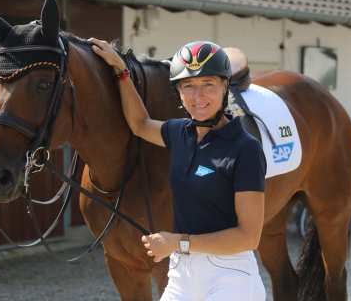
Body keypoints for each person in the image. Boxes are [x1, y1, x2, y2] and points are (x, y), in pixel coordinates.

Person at [89, 38, 267, 300]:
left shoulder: (245, 149)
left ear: (225, 86)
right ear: (179, 93)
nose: (198, 97)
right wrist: (121, 70)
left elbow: (248, 237)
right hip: (181, 273)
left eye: (208, 84)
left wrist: (178, 242)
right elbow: (139, 124)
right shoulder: (179, 133)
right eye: (189, 86)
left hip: (230, 275)